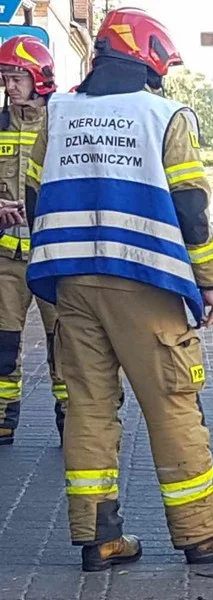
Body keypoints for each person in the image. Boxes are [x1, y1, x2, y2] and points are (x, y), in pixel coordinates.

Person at [23, 7, 213, 571]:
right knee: (173, 403)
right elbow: (191, 209)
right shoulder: (165, 115)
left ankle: (97, 537)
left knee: (88, 407)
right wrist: (209, 284)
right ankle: (202, 532)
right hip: (144, 281)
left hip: (71, 280)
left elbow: (34, 194)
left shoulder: (59, 112)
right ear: (151, 59)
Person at [0, 36, 68, 445]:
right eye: (5, 78)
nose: (9, 86)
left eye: (16, 77)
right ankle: (3, 418)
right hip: (6, 256)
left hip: (53, 257)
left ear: (39, 78)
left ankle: (72, 420)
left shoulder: (63, 126)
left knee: (65, 345)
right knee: (3, 343)